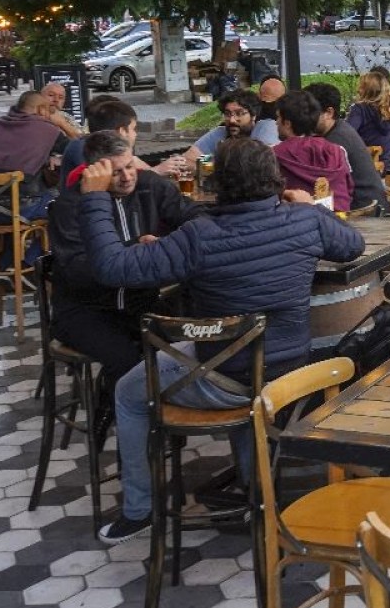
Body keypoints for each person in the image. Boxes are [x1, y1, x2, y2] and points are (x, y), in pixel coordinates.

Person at [79, 138, 364, 545]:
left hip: (223, 376)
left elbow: (111, 266)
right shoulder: (305, 221)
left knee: (127, 392)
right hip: (289, 373)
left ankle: (139, 510)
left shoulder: (198, 236)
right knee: (241, 367)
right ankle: (258, 495)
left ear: (218, 184)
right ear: (274, 178)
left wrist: (94, 199)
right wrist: (309, 206)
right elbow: (353, 245)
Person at [47, 130, 200, 388]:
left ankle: (169, 419)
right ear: (95, 171)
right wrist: (137, 250)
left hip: (142, 302)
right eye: (116, 172)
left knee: (184, 345)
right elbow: (77, 270)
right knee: (126, 359)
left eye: (130, 166)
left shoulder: (149, 185)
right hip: (84, 310)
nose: (128, 176)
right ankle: (113, 416)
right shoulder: (69, 205)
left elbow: (192, 214)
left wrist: (174, 241)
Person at [0, 90, 69, 223]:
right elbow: (78, 149)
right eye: (48, 111)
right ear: (41, 110)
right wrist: (63, 124)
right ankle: (39, 244)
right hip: (21, 210)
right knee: (66, 203)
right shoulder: (45, 129)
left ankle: (12, 243)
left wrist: (46, 159)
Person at [304, 83, 386, 212]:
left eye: (310, 112)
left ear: (329, 112)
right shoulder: (340, 129)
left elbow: (328, 188)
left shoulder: (336, 142)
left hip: (362, 211)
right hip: (370, 204)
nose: (305, 117)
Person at [162, 89, 279, 175]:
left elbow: (260, 166)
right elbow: (185, 160)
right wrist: (213, 167)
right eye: (228, 114)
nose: (232, 120)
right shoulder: (221, 133)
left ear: (253, 115)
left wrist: (213, 167)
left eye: (239, 113)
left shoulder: (265, 127)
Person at [273, 92, 354, 211]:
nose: (276, 122)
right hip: (338, 220)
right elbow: (349, 189)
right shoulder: (338, 151)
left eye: (278, 117)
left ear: (287, 123)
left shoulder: (273, 155)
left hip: (297, 223)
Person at [60, 97, 152, 188]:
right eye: (134, 129)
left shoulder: (88, 145)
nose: (135, 134)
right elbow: (115, 187)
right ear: (122, 131)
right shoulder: (82, 148)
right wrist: (156, 171)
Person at [344, 70, 390, 163]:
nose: (358, 90)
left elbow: (347, 135)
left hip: (360, 165)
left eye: (361, 86)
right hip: (384, 165)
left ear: (367, 90)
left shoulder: (360, 109)